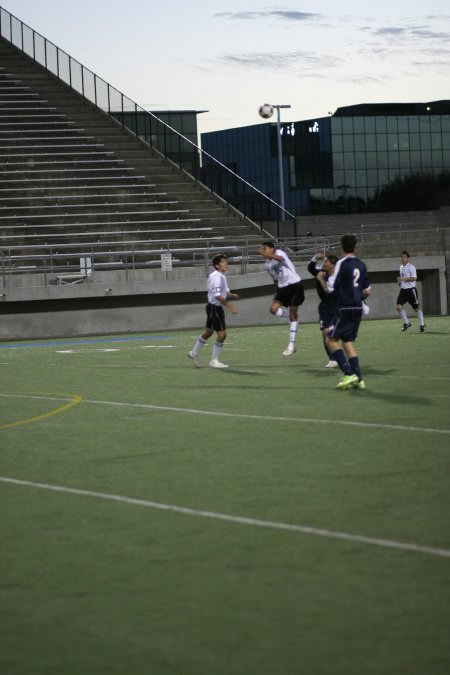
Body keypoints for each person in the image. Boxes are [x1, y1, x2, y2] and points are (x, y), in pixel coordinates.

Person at [317, 234, 371, 390]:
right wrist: (357, 297)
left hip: (344, 307)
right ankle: (359, 378)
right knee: (347, 341)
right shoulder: (361, 264)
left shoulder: (340, 264)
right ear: (355, 246)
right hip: (358, 307)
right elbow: (368, 291)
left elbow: (330, 288)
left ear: (342, 246)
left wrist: (321, 279)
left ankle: (348, 373)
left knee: (330, 339)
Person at [188, 253, 239, 368]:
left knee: (209, 332)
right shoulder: (217, 277)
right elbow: (217, 295)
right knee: (222, 335)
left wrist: (233, 295)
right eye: (223, 262)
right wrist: (230, 305)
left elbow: (223, 293)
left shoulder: (220, 276)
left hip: (212, 307)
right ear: (217, 265)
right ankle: (214, 361)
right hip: (215, 308)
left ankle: (193, 353)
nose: (226, 263)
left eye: (226, 261)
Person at [257, 241, 305, 356]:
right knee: (273, 309)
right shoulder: (267, 264)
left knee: (294, 313)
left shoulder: (280, 253)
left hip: (294, 285)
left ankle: (291, 345)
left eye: (265, 248)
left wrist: (269, 255)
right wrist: (276, 291)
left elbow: (280, 259)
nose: (263, 251)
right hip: (282, 288)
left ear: (272, 249)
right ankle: (292, 318)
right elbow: (275, 279)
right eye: (262, 249)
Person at [308, 251, 339, 368]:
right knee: (325, 334)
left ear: (333, 265)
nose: (324, 263)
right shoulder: (320, 272)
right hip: (324, 307)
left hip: (336, 306)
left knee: (335, 335)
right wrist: (316, 257)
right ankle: (333, 359)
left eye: (326, 261)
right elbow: (310, 267)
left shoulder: (337, 276)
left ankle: (339, 357)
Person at [396, 251, 426, 332]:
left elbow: (414, 278)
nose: (403, 258)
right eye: (402, 257)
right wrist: (399, 282)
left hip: (411, 290)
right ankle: (407, 323)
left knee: (416, 309)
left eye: (405, 257)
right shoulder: (401, 267)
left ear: (408, 258)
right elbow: (402, 278)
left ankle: (422, 324)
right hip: (403, 291)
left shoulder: (411, 267)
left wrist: (403, 279)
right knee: (398, 306)